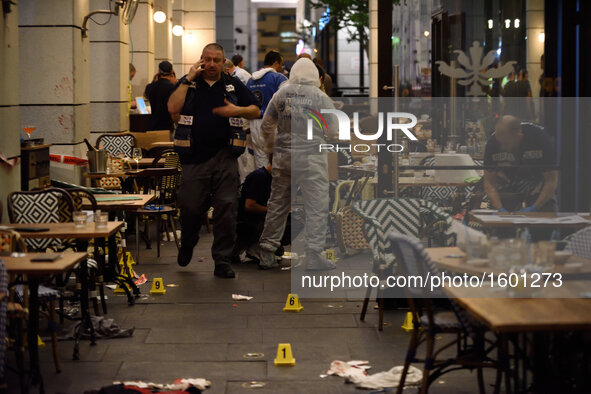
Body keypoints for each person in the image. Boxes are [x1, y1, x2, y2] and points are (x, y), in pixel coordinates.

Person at [167, 43, 260, 278]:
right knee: (190, 208)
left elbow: (255, 110)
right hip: (193, 158)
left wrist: (236, 110)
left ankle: (222, 260)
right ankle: (188, 241)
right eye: (206, 59)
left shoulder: (231, 83)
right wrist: (187, 79)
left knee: (226, 210)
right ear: (200, 60)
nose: (211, 64)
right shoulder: (190, 82)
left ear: (223, 62)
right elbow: (172, 108)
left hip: (225, 157)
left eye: (216, 60)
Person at [253, 57, 338, 270]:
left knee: (278, 205)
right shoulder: (320, 97)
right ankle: (314, 255)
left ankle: (267, 253)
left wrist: (272, 149)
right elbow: (334, 131)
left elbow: (266, 126)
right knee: (316, 206)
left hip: (283, 159)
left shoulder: (280, 94)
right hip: (312, 160)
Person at [483, 115, 558, 213]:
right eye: (500, 143)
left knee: (543, 219)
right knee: (504, 224)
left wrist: (535, 207)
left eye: (506, 144)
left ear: (519, 137)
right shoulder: (493, 143)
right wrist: (499, 207)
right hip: (509, 184)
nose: (502, 147)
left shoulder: (540, 139)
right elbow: (489, 182)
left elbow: (551, 181)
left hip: (537, 183)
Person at [231, 156, 292, 264]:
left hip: (259, 218)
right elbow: (249, 206)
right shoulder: (260, 177)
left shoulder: (275, 180)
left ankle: (261, 246)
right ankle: (254, 246)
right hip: (247, 222)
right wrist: (276, 210)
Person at [246, 50, 288, 168]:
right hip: (273, 125)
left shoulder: (251, 80)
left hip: (254, 124)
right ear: (275, 63)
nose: (281, 67)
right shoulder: (279, 78)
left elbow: (246, 103)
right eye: (281, 64)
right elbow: (286, 103)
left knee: (260, 159)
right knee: (278, 160)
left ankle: (263, 185)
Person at [144, 61, 178, 132]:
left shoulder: (150, 87)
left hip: (153, 127)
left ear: (158, 71)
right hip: (167, 128)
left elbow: (145, 95)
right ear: (172, 72)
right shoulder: (172, 87)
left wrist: (153, 81)